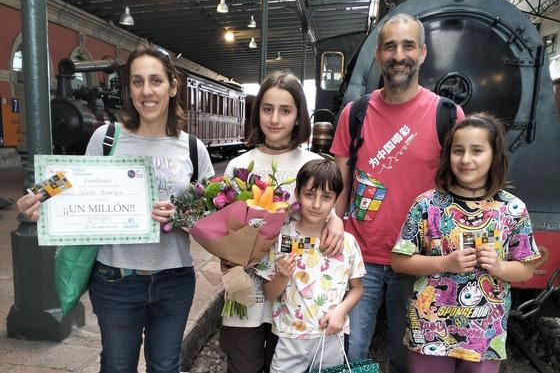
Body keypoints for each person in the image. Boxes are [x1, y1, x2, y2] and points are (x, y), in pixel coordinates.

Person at [17, 45, 214, 373]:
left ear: (172, 86)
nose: (146, 91)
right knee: (117, 366)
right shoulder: (106, 138)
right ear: (130, 89)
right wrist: (38, 198)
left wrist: (183, 216)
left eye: (155, 81)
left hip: (174, 279)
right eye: (137, 82)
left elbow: (213, 214)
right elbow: (74, 181)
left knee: (166, 366)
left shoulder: (193, 148)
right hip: (115, 280)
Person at [330, 13, 465, 372]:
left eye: (408, 46)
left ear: (422, 53)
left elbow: (462, 186)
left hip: (418, 260)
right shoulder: (354, 113)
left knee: (407, 358)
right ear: (378, 55)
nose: (398, 55)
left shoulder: (448, 115)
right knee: (350, 350)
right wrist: (335, 226)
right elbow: (340, 178)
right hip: (361, 256)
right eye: (390, 46)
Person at [391, 113, 541, 373]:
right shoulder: (427, 205)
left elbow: (526, 267)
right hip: (430, 332)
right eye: (458, 150)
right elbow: (399, 261)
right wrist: (445, 262)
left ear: (494, 155)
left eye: (477, 150)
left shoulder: (513, 209)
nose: (466, 159)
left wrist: (499, 268)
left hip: (484, 334)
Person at [220, 71, 345, 373]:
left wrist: (336, 220)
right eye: (267, 108)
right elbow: (223, 227)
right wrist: (226, 252)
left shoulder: (314, 165)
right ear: (257, 112)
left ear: (299, 117)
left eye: (285, 110)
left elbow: (327, 210)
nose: (275, 119)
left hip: (294, 294)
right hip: (244, 286)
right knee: (243, 364)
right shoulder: (239, 165)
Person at [257, 159, 365, 373]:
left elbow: (357, 288)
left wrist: (341, 311)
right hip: (290, 338)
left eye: (326, 197)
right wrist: (282, 277)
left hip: (331, 337)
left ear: (335, 199)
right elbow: (269, 294)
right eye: (309, 195)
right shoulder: (281, 238)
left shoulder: (347, 242)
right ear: (297, 193)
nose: (316, 205)